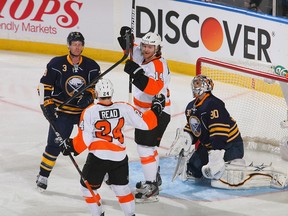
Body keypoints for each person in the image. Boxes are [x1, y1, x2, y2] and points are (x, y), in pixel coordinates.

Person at [60, 78, 165, 216]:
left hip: (98, 158)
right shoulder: (124, 107)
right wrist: (156, 108)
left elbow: (84, 140)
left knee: (87, 189)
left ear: (97, 93)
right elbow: (146, 123)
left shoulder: (90, 112)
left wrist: (70, 146)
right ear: (112, 93)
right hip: (119, 158)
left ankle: (98, 214)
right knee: (122, 190)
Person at [36, 32, 101, 191]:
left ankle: (101, 171)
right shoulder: (56, 64)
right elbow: (44, 86)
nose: (77, 47)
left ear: (83, 46)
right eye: (74, 44)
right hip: (62, 111)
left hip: (83, 113)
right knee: (54, 144)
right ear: (69, 45)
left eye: (80, 44)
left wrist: (89, 95)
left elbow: (95, 88)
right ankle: (43, 175)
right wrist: (48, 104)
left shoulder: (92, 66)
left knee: (95, 140)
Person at [118, 27, 171, 202]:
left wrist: (135, 73)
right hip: (145, 111)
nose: (146, 49)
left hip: (157, 111)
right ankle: (154, 178)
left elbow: (154, 88)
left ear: (157, 49)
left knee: (144, 147)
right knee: (149, 148)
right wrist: (126, 37)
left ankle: (152, 186)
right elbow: (130, 50)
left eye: (150, 47)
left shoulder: (158, 64)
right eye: (145, 46)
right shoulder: (142, 54)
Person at [170, 74, 244, 182]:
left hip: (230, 145)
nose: (195, 86)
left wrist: (216, 154)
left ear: (207, 86)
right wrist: (186, 137)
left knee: (218, 174)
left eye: (198, 83)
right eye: (194, 83)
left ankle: (235, 163)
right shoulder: (191, 107)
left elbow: (218, 132)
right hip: (208, 147)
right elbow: (194, 128)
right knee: (193, 170)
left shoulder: (214, 104)